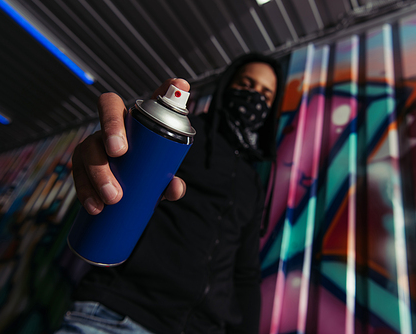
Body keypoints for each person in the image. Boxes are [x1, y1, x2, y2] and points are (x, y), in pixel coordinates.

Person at [57, 53, 284, 334]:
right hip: (118, 314)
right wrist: (121, 147)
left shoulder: (253, 181)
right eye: (246, 84)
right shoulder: (185, 138)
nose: (254, 97)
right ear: (227, 86)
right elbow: (126, 183)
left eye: (265, 93)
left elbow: (246, 271)